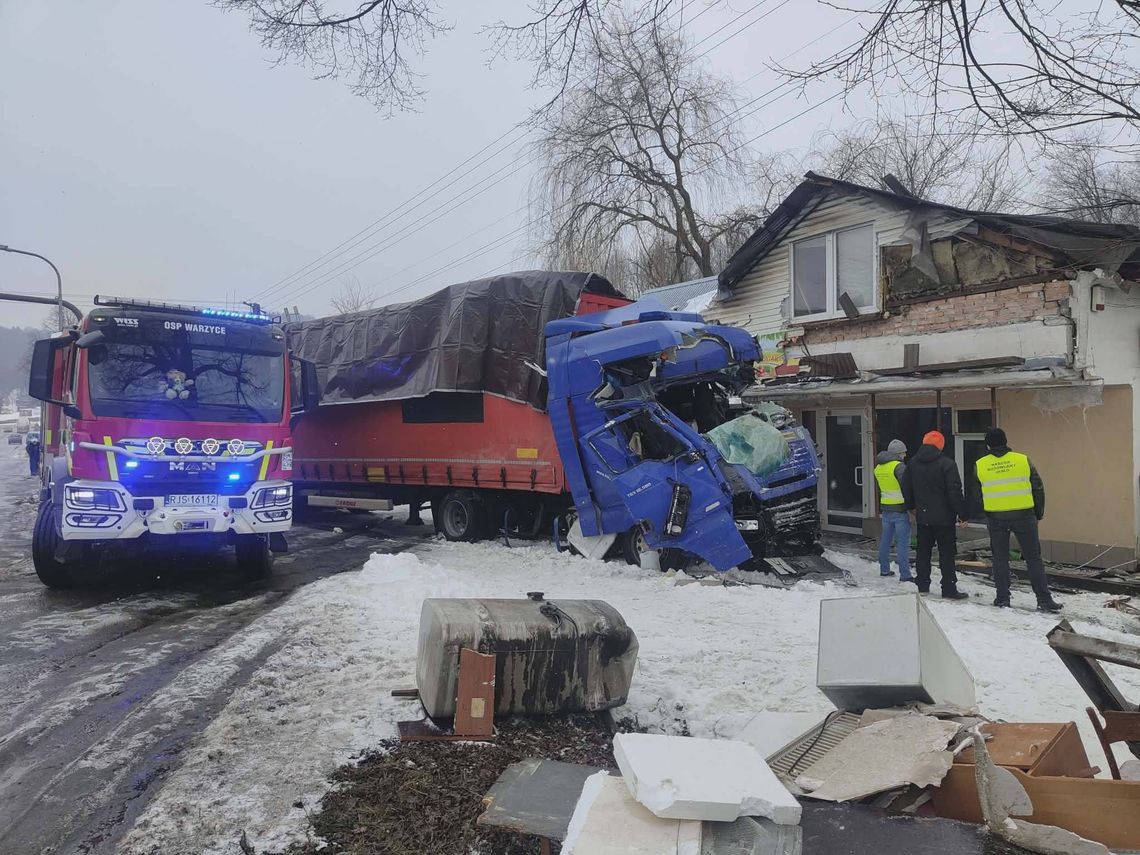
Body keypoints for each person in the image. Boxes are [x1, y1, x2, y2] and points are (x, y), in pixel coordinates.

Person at [972, 428, 1062, 612]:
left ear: (988, 445)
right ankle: (1044, 600)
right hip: (1024, 516)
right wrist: (1038, 512)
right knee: (1033, 558)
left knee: (1000, 558)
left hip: (996, 517)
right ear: (1006, 441)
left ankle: (1003, 598)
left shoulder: (980, 464)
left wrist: (989, 508)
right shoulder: (1022, 459)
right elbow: (1037, 487)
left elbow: (976, 494)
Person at [906, 430, 969, 599]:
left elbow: (907, 487)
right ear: (940, 446)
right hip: (944, 518)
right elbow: (954, 491)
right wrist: (962, 514)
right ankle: (948, 588)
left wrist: (912, 507)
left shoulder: (912, 463)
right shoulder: (947, 464)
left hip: (923, 517)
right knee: (947, 554)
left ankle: (923, 586)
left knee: (923, 552)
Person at [873, 438, 914, 581]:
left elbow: (880, 488)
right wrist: (912, 507)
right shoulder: (899, 467)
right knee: (902, 543)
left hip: (886, 508)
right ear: (898, 454)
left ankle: (884, 569)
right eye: (903, 453)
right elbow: (907, 488)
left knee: (886, 540)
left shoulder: (878, 468)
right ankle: (905, 575)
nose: (905, 456)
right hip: (900, 509)